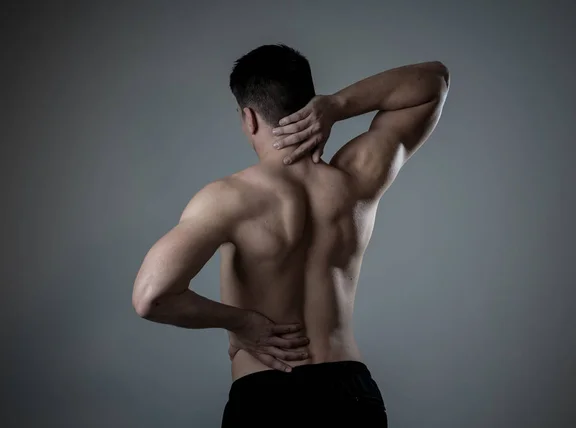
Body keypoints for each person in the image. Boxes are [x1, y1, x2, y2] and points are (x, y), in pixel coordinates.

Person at [132, 44, 449, 427]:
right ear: (309, 103)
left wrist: (243, 323)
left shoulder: (228, 199)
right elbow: (434, 81)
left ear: (248, 118)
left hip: (268, 396)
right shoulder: (355, 179)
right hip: (350, 393)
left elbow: (152, 296)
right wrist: (339, 105)